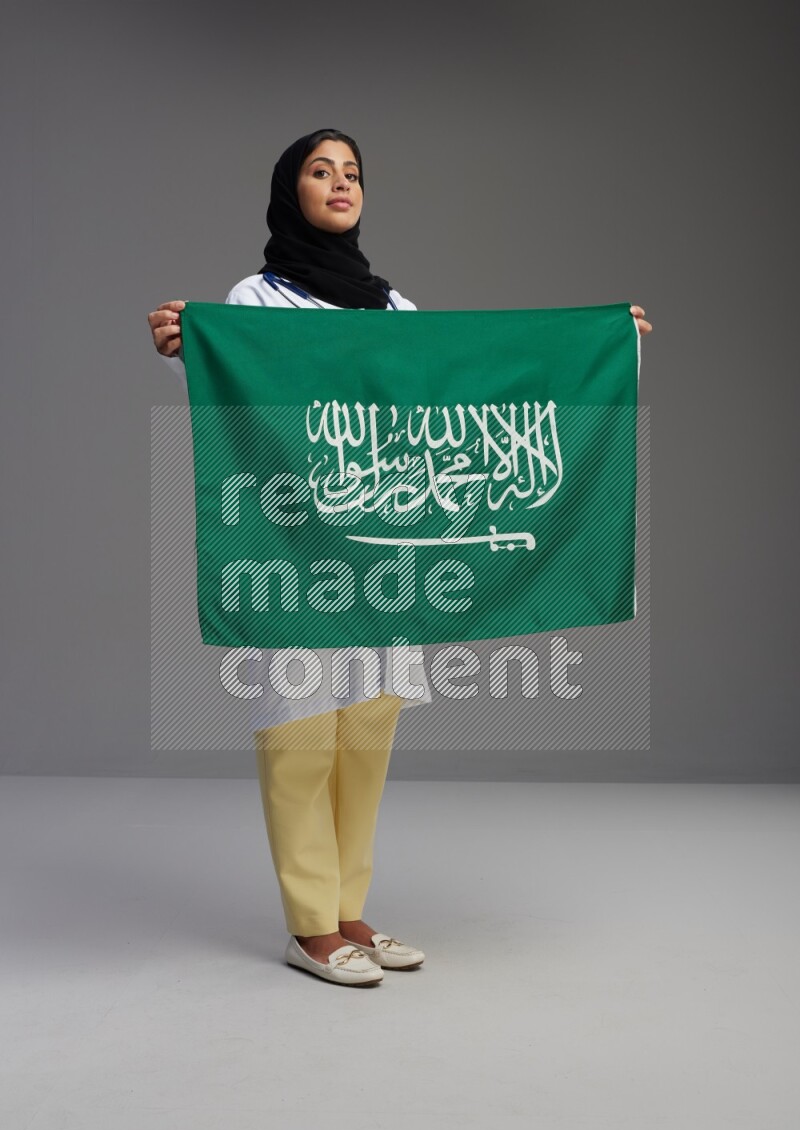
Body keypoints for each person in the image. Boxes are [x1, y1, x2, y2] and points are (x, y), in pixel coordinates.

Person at [148, 128, 653, 988]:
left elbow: (461, 391)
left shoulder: (393, 310)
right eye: (320, 171)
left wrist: (602, 342)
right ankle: (309, 925)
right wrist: (191, 341)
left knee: (367, 733)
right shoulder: (259, 300)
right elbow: (246, 400)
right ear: (291, 191)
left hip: (385, 555)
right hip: (300, 552)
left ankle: (350, 910)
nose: (340, 184)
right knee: (302, 736)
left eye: (352, 173)